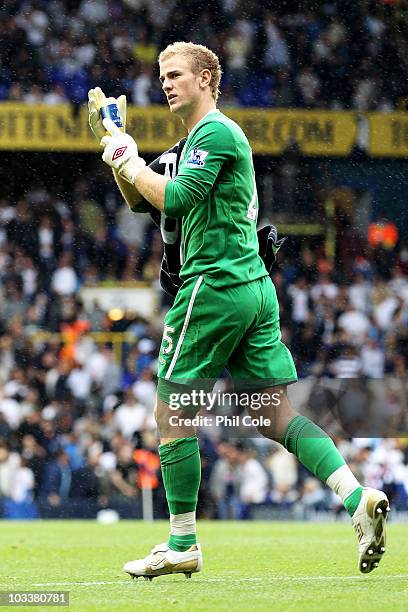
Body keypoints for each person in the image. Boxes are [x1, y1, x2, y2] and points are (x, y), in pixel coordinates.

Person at [88, 41, 389, 579]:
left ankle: (182, 542)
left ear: (206, 78)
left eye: (176, 75)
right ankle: (357, 498)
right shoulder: (192, 142)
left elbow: (174, 198)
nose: (166, 85)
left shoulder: (217, 132)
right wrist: (116, 146)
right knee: (274, 417)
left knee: (170, 413)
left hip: (214, 285)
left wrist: (127, 157)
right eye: (162, 78)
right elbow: (142, 197)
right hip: (251, 287)